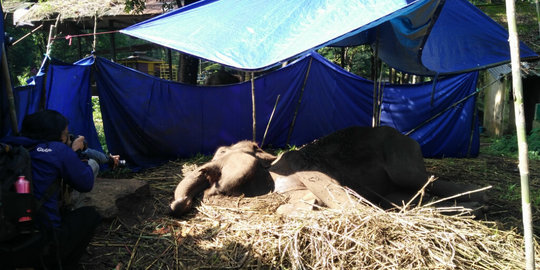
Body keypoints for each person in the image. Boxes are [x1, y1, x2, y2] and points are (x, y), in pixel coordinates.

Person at [0, 110, 102, 269]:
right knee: (90, 215)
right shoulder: (57, 150)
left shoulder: (7, 145)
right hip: (39, 244)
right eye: (66, 134)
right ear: (56, 135)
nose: (67, 138)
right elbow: (85, 183)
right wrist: (74, 153)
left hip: (5, 241)